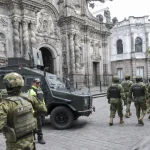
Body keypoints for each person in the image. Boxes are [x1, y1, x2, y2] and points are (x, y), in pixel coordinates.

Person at [0, 72, 47, 150]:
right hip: (30, 142)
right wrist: (33, 116)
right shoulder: (29, 98)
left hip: (15, 146)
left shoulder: (5, 105)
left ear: (7, 85)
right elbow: (43, 110)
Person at [28, 78, 47, 144]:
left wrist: (44, 108)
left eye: (39, 83)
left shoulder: (39, 89)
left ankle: (33, 137)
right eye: (37, 83)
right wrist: (33, 111)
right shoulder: (32, 90)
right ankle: (40, 138)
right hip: (36, 111)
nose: (38, 84)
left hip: (41, 110)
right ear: (33, 83)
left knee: (40, 123)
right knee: (38, 125)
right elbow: (31, 102)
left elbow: (42, 100)